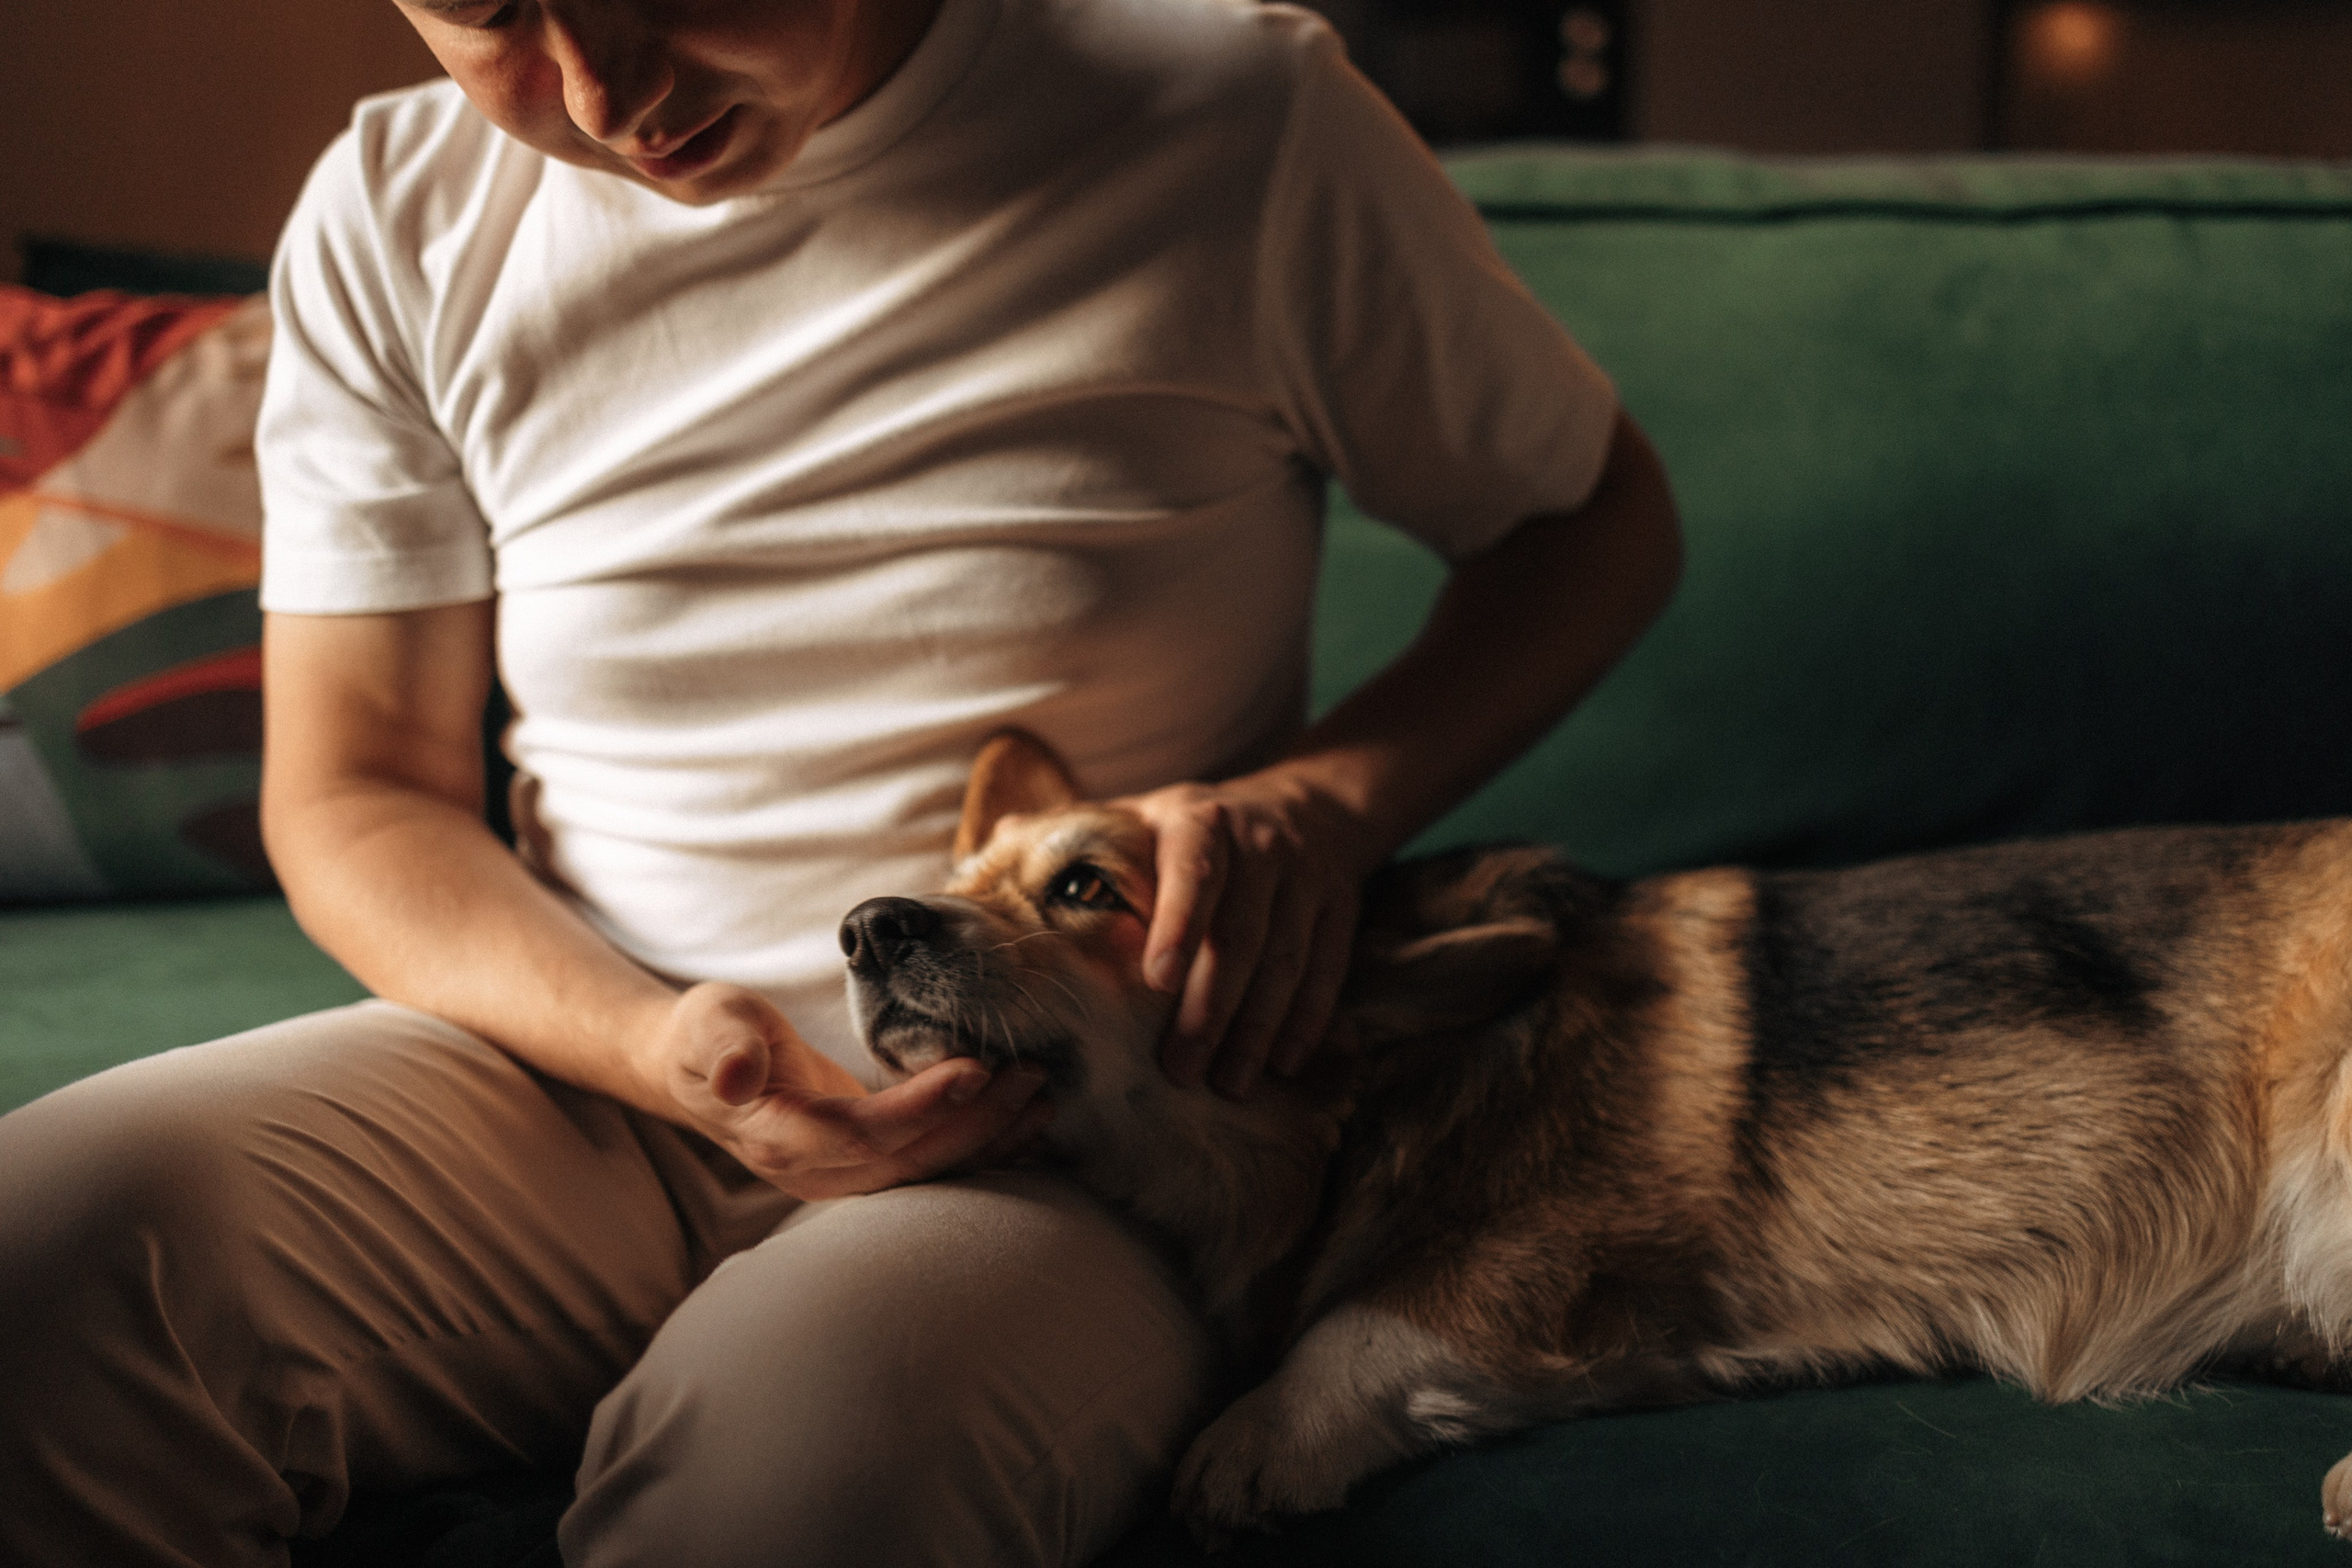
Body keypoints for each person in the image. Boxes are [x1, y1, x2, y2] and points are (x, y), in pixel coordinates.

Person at [0, 0, 1682, 1562]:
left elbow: (1588, 526)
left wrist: (1324, 808)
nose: (600, 89)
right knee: (57, 1247)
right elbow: (356, 792)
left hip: (1062, 1140)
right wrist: (665, 1054)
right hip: (579, 1075)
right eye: (492, 11)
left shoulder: (1236, 119)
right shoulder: (396, 212)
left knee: (807, 1468)